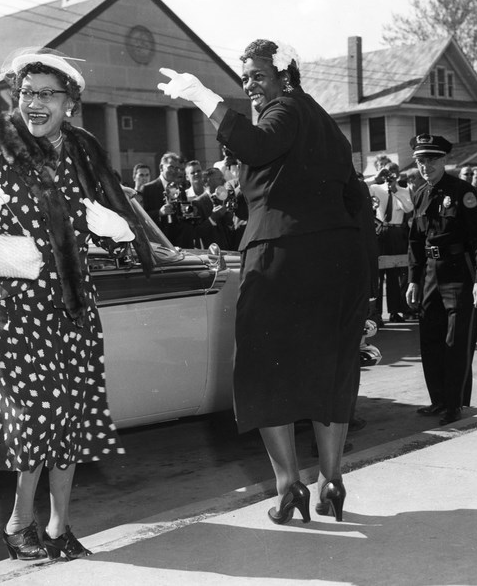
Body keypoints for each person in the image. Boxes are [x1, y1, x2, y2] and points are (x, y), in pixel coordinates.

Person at [0, 48, 153, 561]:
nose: (33, 103)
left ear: (70, 104)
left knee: (72, 411)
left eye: (46, 94)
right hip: (10, 302)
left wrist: (119, 234)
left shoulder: (84, 151)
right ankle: (18, 522)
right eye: (25, 93)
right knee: (34, 412)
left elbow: (118, 239)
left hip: (72, 299)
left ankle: (58, 527)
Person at [158, 39, 375, 524]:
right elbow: (353, 202)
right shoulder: (324, 126)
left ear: (284, 74)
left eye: (257, 76)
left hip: (281, 257)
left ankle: (288, 485)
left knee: (263, 368)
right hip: (337, 260)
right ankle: (332, 479)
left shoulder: (286, 109)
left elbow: (257, 145)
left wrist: (204, 98)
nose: (249, 87)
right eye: (245, 78)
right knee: (330, 366)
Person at [405, 134, 477, 426]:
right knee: (430, 337)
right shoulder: (419, 194)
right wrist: (413, 280)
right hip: (430, 273)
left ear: (443, 160)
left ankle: (454, 404)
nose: (425, 166)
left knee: (455, 341)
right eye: (421, 161)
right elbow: (415, 242)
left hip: (458, 274)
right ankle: (438, 399)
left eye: (431, 160)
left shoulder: (463, 192)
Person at [370, 163, 413, 322]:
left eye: (394, 171)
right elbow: (361, 188)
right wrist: (377, 176)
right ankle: (377, 314)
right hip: (381, 230)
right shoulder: (376, 188)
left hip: (396, 231)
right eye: (388, 172)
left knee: (395, 273)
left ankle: (396, 311)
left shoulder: (403, 190)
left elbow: (408, 208)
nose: (390, 175)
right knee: (379, 274)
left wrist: (395, 191)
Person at [140, 152, 195, 247]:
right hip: (158, 242)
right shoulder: (148, 189)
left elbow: (185, 216)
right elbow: (141, 217)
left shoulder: (180, 189)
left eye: (177, 168)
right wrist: (159, 213)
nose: (174, 171)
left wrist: (189, 212)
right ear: (161, 167)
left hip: (179, 243)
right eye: (171, 167)